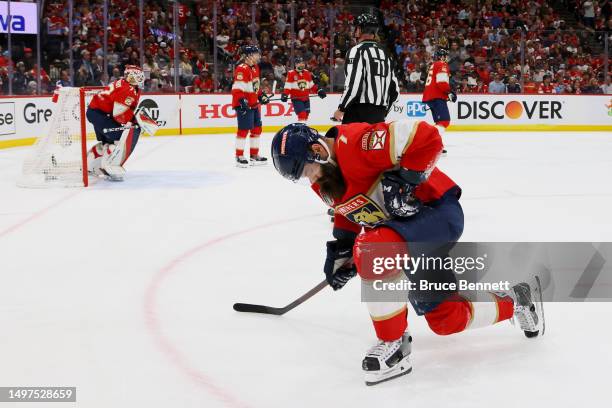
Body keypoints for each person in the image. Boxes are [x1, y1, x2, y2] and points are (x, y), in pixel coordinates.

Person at [270, 121, 545, 386]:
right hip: (401, 235)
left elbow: (426, 137)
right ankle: (518, 300)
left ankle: (394, 345)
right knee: (447, 319)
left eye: (308, 171)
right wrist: (342, 250)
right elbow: (349, 209)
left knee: (373, 248)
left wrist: (405, 179)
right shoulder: (324, 176)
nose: (311, 180)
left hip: (435, 214)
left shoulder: (358, 143)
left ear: (317, 151)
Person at [85, 65, 158, 181]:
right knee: (122, 138)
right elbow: (119, 115)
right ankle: (109, 166)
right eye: (138, 77)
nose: (140, 79)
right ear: (131, 77)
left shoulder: (124, 84)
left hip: (97, 113)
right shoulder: (127, 89)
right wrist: (134, 121)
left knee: (108, 142)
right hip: (100, 114)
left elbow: (120, 112)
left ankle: (88, 165)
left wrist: (133, 119)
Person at [333, 13, 399, 124]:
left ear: (359, 30)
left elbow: (354, 84)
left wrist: (341, 108)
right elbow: (395, 90)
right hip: (379, 113)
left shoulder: (357, 51)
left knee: (347, 141)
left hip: (357, 113)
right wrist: (383, 112)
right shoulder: (386, 53)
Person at [231, 45, 270, 167]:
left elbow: (255, 87)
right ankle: (239, 156)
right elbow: (237, 88)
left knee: (257, 129)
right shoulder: (242, 68)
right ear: (248, 56)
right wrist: (242, 102)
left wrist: (261, 96)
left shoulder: (255, 67)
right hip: (243, 105)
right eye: (256, 54)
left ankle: (254, 155)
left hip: (253, 104)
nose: (258, 56)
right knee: (243, 130)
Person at [281, 56, 326, 123]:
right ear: (296, 64)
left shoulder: (307, 72)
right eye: (299, 63)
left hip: (306, 99)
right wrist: (285, 94)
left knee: (306, 115)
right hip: (296, 99)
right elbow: (288, 87)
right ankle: (301, 131)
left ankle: (303, 130)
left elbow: (311, 86)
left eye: (302, 63)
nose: (301, 64)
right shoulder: (291, 73)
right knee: (302, 115)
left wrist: (319, 90)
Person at [422, 48, 456, 132]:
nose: (446, 58)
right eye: (445, 56)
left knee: (439, 122)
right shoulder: (442, 64)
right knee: (444, 121)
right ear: (441, 57)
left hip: (430, 96)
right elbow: (441, 82)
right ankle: (431, 141)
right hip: (437, 97)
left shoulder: (434, 65)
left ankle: (434, 142)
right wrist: (449, 92)